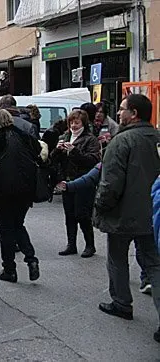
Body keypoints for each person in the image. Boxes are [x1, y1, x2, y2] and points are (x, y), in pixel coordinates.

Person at [94, 94, 160, 343]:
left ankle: (121, 303)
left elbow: (110, 183)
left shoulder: (122, 141)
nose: (118, 114)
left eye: (122, 110)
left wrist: (101, 207)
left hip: (123, 213)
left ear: (133, 113)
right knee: (154, 264)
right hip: (153, 213)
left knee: (117, 259)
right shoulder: (157, 138)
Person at [0, 109, 41, 283]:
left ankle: (9, 269)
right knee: (18, 225)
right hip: (26, 191)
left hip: (2, 192)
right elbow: (39, 153)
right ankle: (31, 259)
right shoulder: (24, 137)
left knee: (6, 230)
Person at [51, 110, 101, 257]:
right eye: (71, 122)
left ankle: (89, 245)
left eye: (77, 123)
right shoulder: (65, 136)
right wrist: (57, 150)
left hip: (83, 182)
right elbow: (54, 160)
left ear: (83, 123)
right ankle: (71, 244)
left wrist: (74, 151)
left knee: (82, 214)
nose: (73, 125)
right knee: (69, 215)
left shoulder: (90, 139)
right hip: (67, 180)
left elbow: (92, 161)